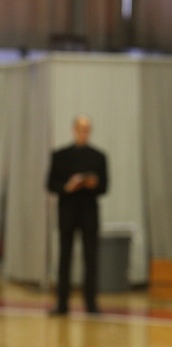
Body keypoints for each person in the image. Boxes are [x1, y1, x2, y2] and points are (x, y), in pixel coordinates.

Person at [46, 115, 108, 315]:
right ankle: (62, 304)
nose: (84, 132)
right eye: (81, 128)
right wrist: (68, 186)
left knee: (91, 259)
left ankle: (91, 304)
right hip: (67, 212)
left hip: (89, 213)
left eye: (87, 129)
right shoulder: (60, 155)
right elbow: (51, 184)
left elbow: (105, 187)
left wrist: (93, 184)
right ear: (74, 130)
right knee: (65, 258)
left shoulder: (99, 156)